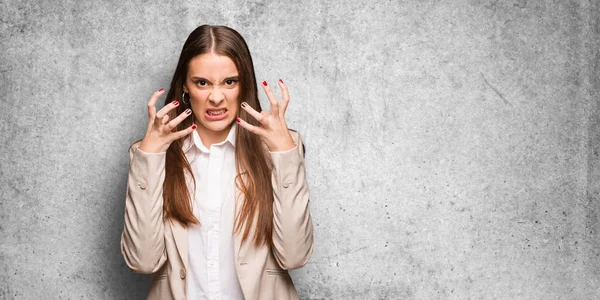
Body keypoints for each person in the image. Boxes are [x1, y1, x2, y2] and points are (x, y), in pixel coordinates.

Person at [120, 24, 313, 300]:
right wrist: (149, 158)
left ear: (244, 84)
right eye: (202, 82)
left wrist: (284, 154)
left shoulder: (275, 148)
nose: (216, 97)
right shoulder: (154, 154)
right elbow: (142, 261)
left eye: (229, 82)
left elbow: (294, 256)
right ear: (185, 86)